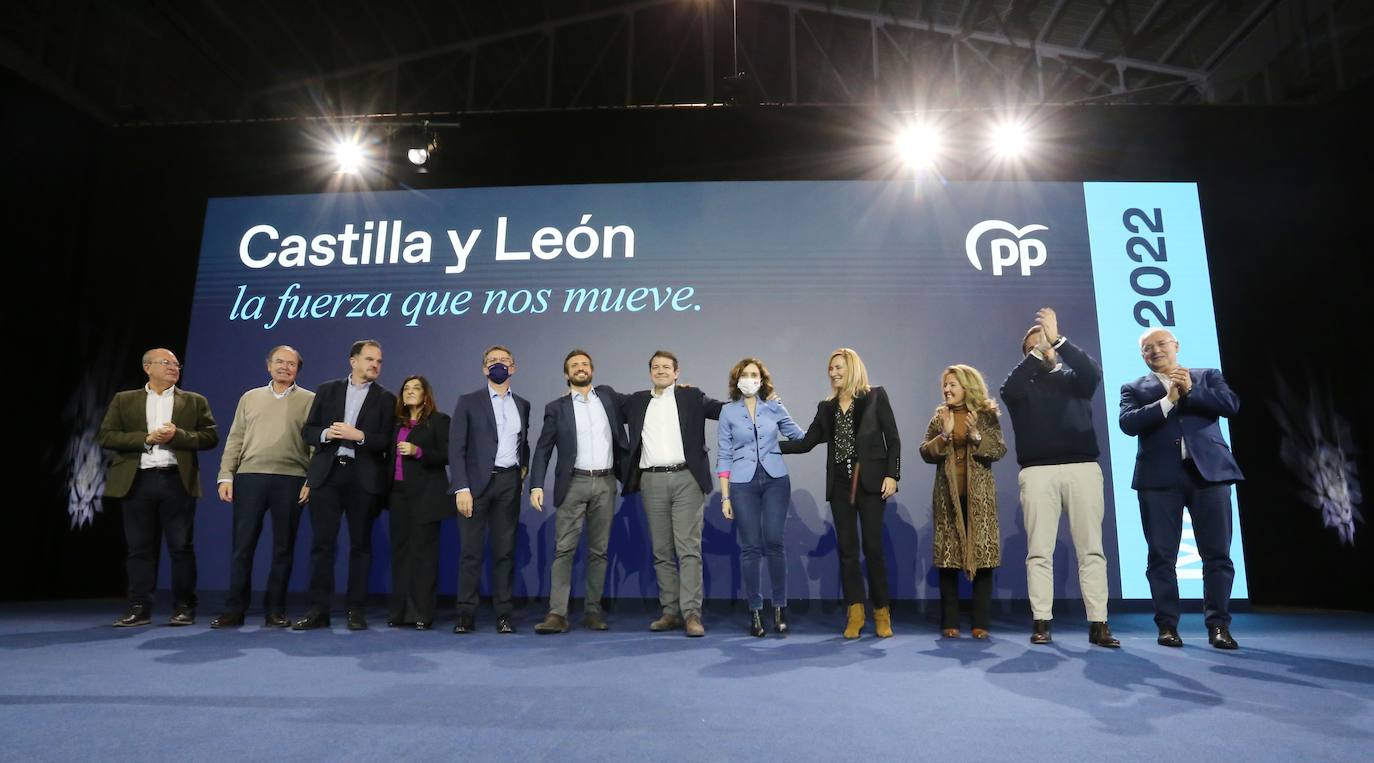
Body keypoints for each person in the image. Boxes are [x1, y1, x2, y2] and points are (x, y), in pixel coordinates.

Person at [1000, 308, 1119, 648]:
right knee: (1039, 552)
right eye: (1036, 347)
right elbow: (1010, 387)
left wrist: (1059, 340)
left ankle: (1099, 624)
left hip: (1082, 468)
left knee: (1091, 550)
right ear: (1028, 355)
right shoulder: (1020, 389)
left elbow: (1092, 371)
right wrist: (1040, 347)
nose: (1045, 349)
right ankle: (1042, 623)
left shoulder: (1073, 380)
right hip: (1038, 473)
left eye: (1049, 345)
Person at [1120, 328, 1244, 650]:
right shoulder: (1134, 388)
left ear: (1176, 346)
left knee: (1217, 555)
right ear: (1142, 356)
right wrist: (1167, 402)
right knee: (1161, 556)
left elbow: (1231, 405)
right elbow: (1128, 423)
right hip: (1159, 481)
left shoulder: (1207, 376)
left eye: (1161, 344)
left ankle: (1219, 626)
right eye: (1148, 348)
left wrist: (1190, 392)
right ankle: (1167, 627)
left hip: (1209, 476)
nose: (1155, 351)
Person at [781, 348, 900, 639]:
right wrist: (768, 445)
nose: (833, 373)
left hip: (872, 484)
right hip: (841, 487)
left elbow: (893, 438)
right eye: (831, 368)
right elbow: (806, 442)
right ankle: (855, 613)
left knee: (873, 549)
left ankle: (882, 613)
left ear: (853, 368)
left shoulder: (875, 396)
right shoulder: (827, 407)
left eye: (839, 368)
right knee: (847, 552)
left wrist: (892, 474)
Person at [98, 348, 219, 627]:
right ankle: (139, 607)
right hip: (137, 480)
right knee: (139, 549)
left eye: (177, 364)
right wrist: (147, 438)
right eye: (167, 363)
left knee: (181, 547)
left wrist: (179, 435)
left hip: (176, 480)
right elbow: (106, 436)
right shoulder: (124, 400)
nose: (174, 368)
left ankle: (184, 607)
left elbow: (210, 436)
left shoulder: (194, 401)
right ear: (147, 367)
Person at [294, 340, 396, 631]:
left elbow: (385, 441)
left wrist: (359, 435)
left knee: (361, 546)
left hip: (362, 478)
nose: (375, 365)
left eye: (379, 361)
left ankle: (355, 610)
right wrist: (328, 433)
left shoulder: (386, 399)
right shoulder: (327, 390)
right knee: (322, 546)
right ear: (353, 361)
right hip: (327, 476)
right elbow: (308, 431)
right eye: (369, 359)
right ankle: (318, 610)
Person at [622, 350, 724, 637]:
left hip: (686, 479)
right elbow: (603, 404)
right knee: (661, 551)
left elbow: (722, 409)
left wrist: (759, 400)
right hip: (651, 481)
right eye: (655, 366)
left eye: (667, 366)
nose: (661, 370)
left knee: (688, 549)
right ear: (650, 372)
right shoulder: (637, 401)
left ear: (677, 373)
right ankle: (670, 611)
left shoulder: (691, 396)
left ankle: (691, 614)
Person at [210, 345, 313, 629]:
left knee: (283, 549)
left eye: (291, 364)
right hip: (250, 477)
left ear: (297, 370)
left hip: (292, 479)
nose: (284, 367)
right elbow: (235, 438)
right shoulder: (250, 397)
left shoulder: (310, 400)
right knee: (242, 548)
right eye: (279, 362)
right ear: (268, 366)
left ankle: (274, 611)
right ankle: (235, 610)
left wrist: (311, 481)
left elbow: (316, 445)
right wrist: (225, 475)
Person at [528, 349, 629, 634]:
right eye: (574, 365)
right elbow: (543, 449)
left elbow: (640, 402)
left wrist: (673, 388)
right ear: (566, 374)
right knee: (564, 550)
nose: (580, 368)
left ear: (592, 370)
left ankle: (592, 612)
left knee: (599, 551)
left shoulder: (608, 397)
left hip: (606, 483)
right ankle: (557, 614)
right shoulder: (556, 407)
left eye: (585, 364)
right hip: (573, 484)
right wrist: (536, 484)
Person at [716, 357, 804, 637]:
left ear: (762, 380)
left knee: (774, 542)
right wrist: (725, 497)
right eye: (745, 374)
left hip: (776, 480)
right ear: (737, 380)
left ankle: (779, 608)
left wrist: (781, 408)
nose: (750, 379)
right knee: (751, 547)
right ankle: (755, 611)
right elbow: (724, 454)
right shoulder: (728, 412)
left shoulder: (773, 407)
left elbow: (798, 436)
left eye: (755, 374)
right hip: (742, 483)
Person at [919, 365, 1006, 639]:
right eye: (945, 385)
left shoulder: (986, 415)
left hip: (979, 497)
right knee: (948, 560)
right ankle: (950, 622)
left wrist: (975, 437)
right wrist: (944, 436)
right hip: (948, 496)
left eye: (952, 385)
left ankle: (981, 623)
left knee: (984, 557)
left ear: (967, 386)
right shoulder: (939, 417)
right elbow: (925, 452)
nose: (947, 390)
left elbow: (998, 449)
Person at [449, 345, 531, 634]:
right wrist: (461, 488)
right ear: (485, 369)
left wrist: (522, 474)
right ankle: (465, 615)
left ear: (513, 368)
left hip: (509, 484)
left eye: (504, 361)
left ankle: (503, 614)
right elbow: (456, 449)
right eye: (493, 361)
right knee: (471, 553)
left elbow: (525, 444)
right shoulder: (469, 401)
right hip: (475, 486)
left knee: (504, 553)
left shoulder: (522, 404)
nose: (499, 365)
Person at [387, 375, 451, 630]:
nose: (410, 392)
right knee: (400, 553)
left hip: (426, 496)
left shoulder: (439, 421)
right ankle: (400, 611)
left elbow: (448, 455)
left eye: (416, 388)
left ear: (426, 394)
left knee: (424, 555)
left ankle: (422, 612)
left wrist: (418, 451)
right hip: (398, 495)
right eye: (406, 388)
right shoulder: (395, 423)